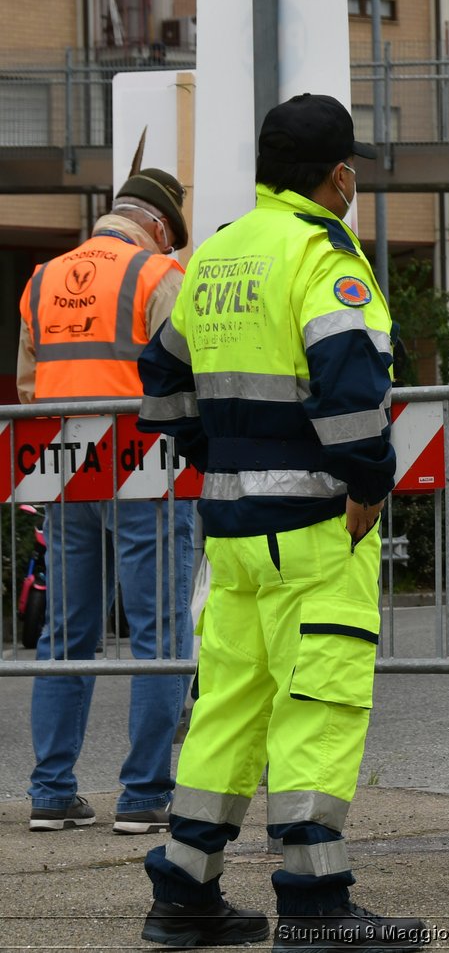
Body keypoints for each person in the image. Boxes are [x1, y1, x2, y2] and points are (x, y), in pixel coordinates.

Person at [135, 93, 427, 951]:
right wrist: (368, 483)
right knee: (319, 703)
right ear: (339, 176)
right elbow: (350, 388)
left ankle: (183, 895)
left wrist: (219, 453)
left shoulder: (217, 254)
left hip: (231, 528)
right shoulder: (320, 256)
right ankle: (315, 903)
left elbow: (161, 381)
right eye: (353, 174)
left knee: (229, 705)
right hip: (313, 526)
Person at [19, 167, 197, 837]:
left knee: (66, 632)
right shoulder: (156, 276)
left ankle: (51, 790)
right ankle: (144, 793)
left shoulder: (41, 280)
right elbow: (186, 379)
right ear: (157, 226)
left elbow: (31, 390)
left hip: (66, 475)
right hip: (145, 472)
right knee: (159, 634)